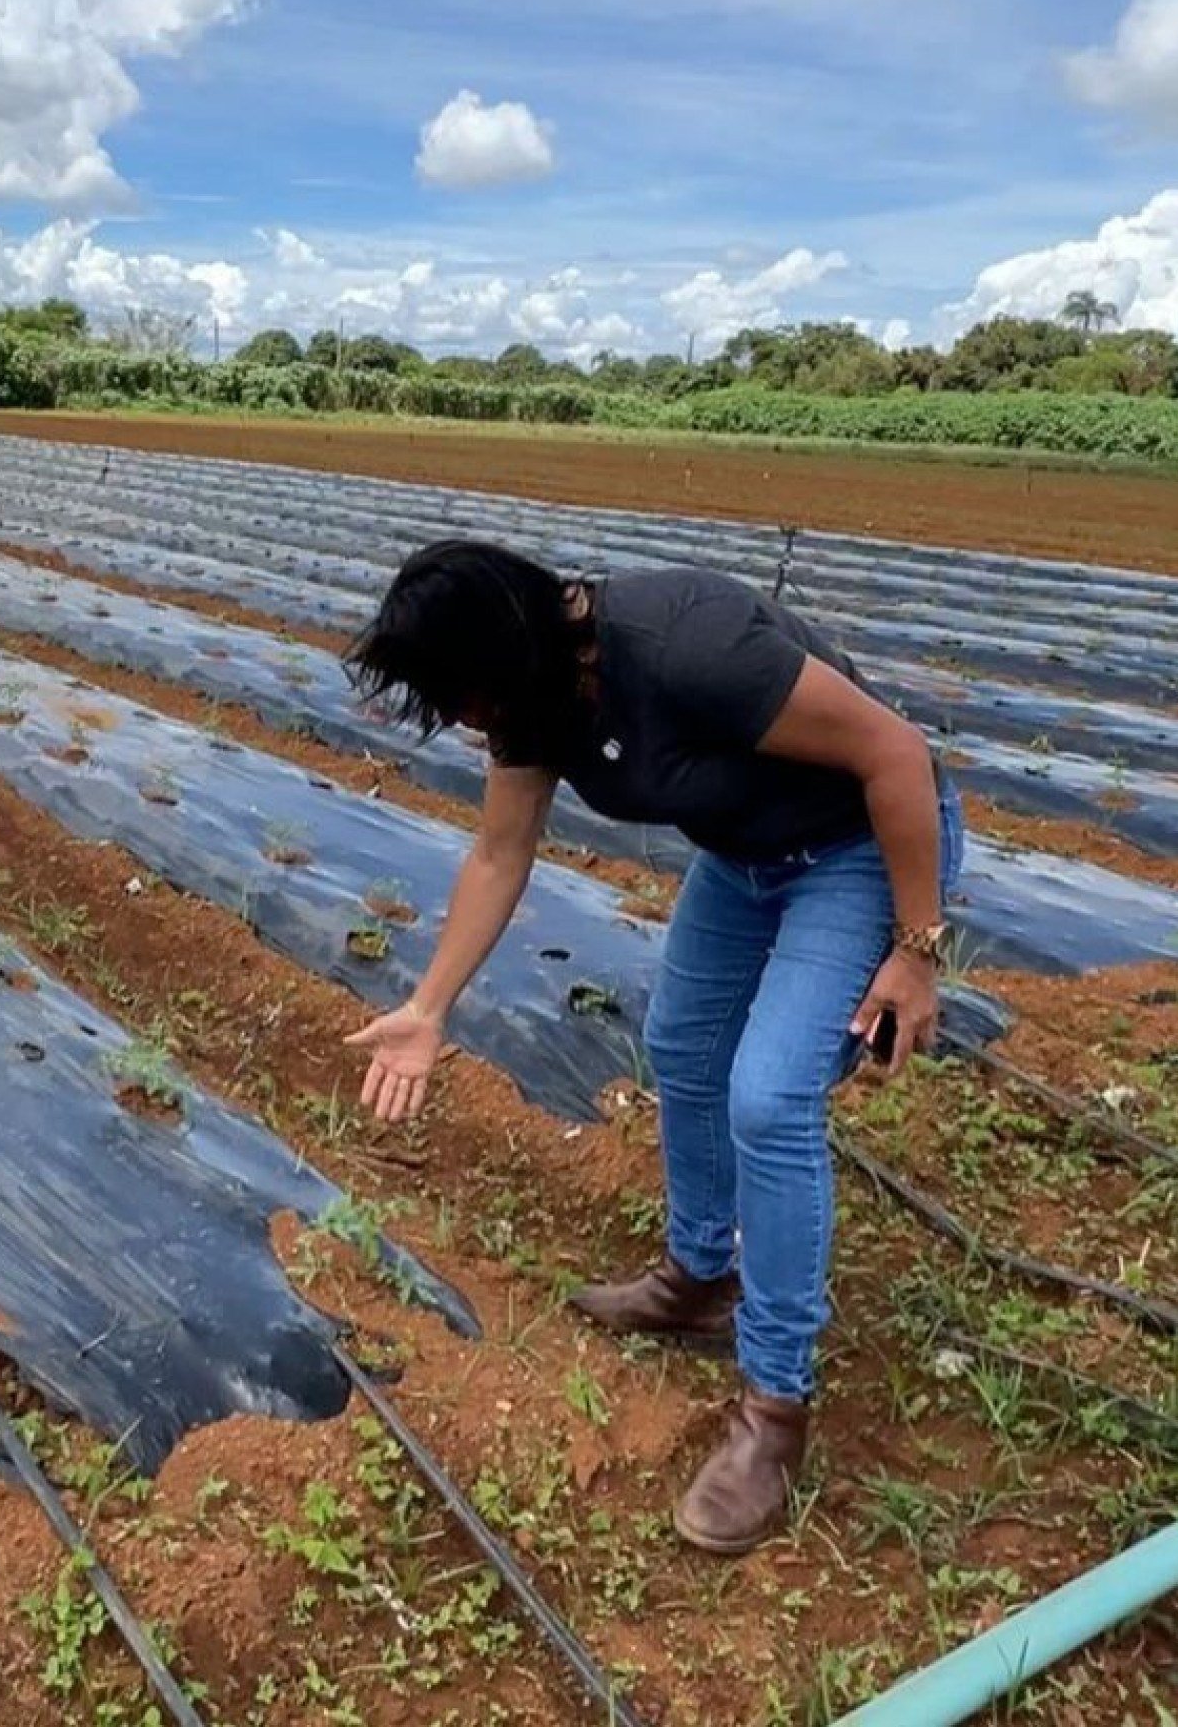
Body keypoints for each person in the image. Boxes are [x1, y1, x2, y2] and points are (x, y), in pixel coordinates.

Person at [342, 540, 964, 1554]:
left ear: (508, 650)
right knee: (682, 1043)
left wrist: (916, 948)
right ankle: (699, 1273)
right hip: (748, 858)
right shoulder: (533, 698)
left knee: (767, 1097)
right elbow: (500, 852)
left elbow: (897, 753)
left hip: (857, 848)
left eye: (462, 693)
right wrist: (429, 1004)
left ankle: (773, 1410)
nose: (462, 719)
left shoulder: (685, 644)